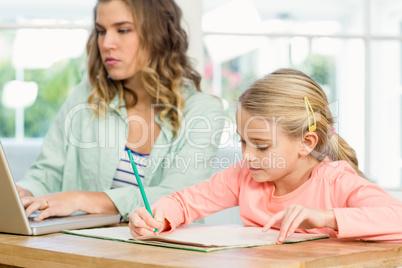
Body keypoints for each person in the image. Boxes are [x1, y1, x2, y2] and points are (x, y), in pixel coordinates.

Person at [129, 68, 402, 243]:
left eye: (261, 146)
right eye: (242, 141)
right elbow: (184, 202)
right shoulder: (242, 177)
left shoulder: (335, 181)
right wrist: (158, 216)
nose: (247, 156)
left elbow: (397, 217)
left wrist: (327, 217)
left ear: (306, 143)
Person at [16, 0, 224, 221]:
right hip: (85, 248)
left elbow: (179, 197)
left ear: (159, 35)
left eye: (123, 30)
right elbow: (47, 174)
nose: (106, 43)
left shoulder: (203, 111)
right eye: (101, 31)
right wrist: (24, 192)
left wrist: (81, 199)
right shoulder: (85, 96)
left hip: (168, 252)